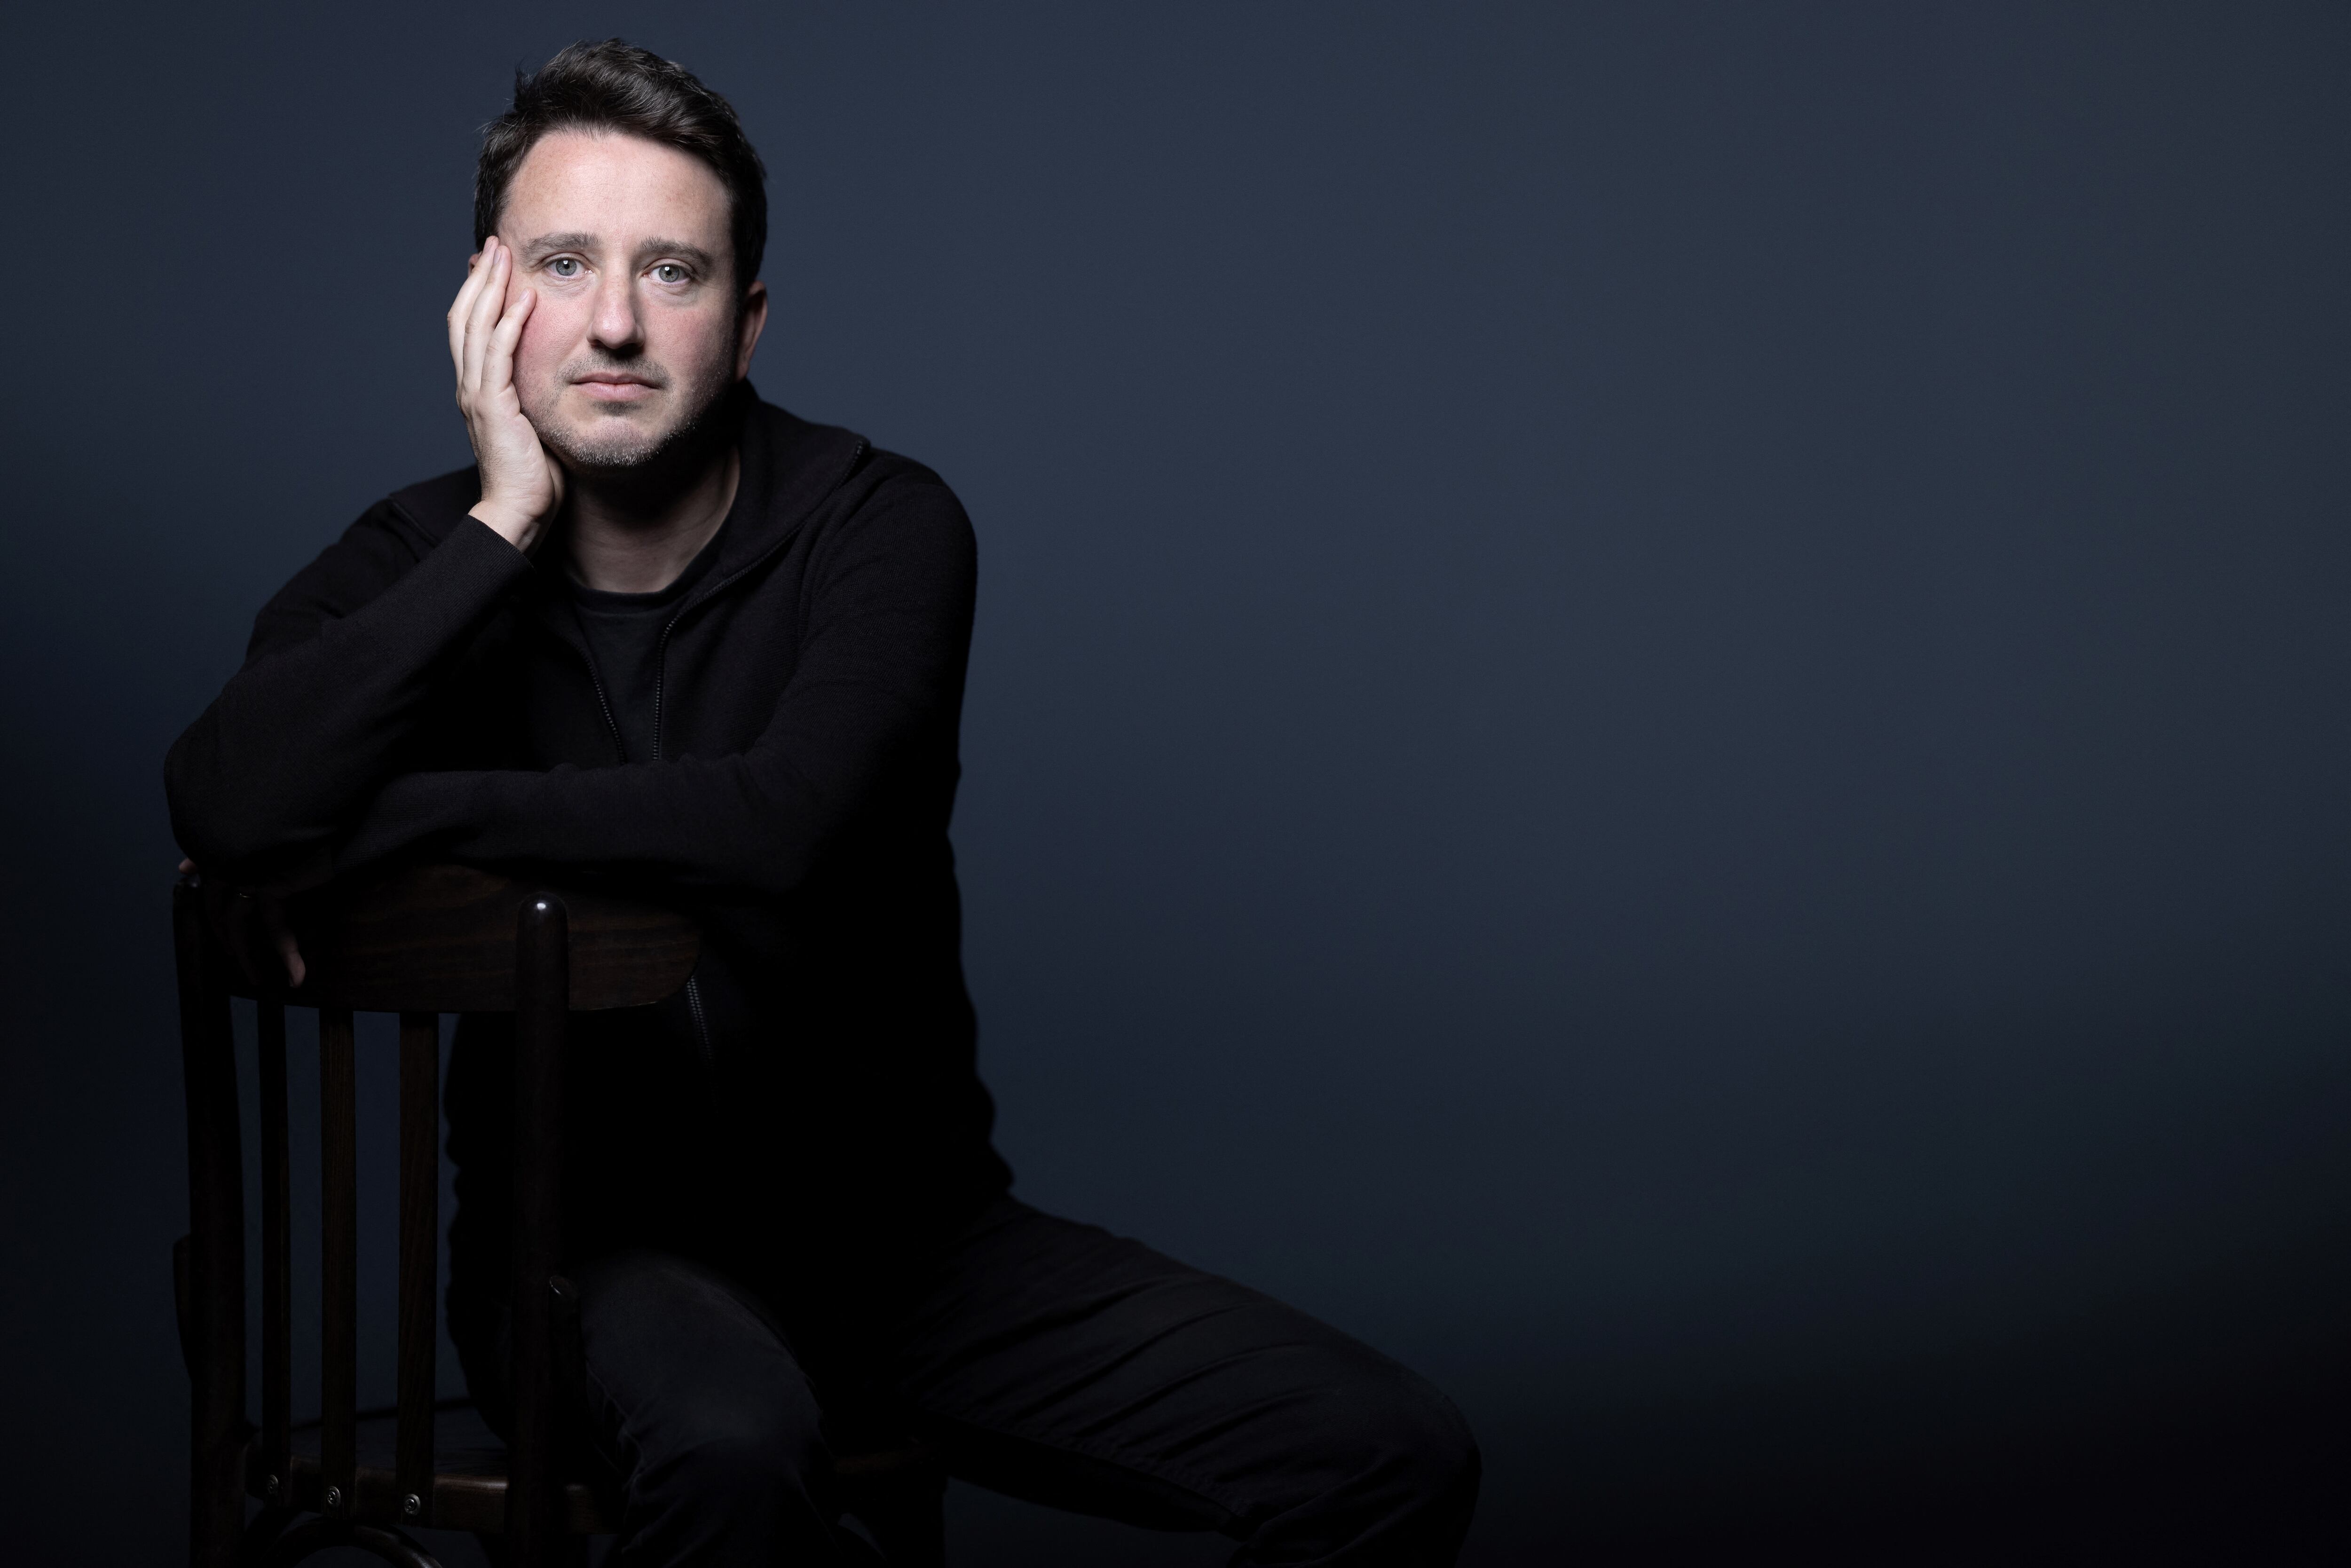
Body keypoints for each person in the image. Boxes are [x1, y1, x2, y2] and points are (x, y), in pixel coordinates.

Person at [165, 39, 1477, 1567]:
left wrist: (395, 816)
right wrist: (502, 518)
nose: (610, 323)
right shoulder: (417, 561)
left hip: (909, 1251)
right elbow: (226, 795)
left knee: (1387, 1451)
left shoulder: (883, 527)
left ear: (748, 321)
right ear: (483, 303)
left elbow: (786, 824)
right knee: (734, 1448)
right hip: (593, 1269)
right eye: (562, 264)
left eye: (672, 271)